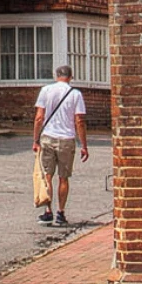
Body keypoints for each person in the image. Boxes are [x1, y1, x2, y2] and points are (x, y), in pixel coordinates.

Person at [33, 63, 87, 227]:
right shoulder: (75, 94)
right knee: (63, 177)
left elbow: (39, 117)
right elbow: (79, 120)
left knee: (47, 175)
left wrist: (35, 139)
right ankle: (61, 213)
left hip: (48, 137)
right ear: (71, 77)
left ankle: (48, 211)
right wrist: (84, 144)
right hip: (66, 139)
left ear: (56, 76)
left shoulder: (46, 90)